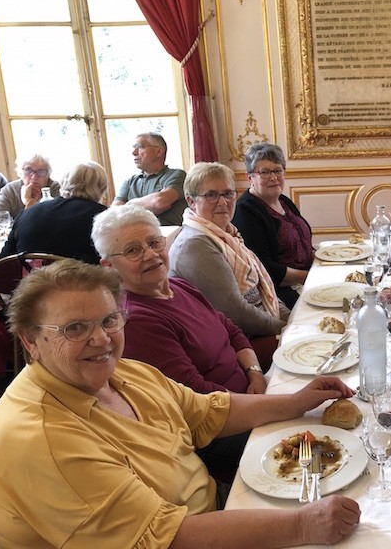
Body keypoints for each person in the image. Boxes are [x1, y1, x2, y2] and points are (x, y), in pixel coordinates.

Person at [0, 259, 361, 547]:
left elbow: (208, 411)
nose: (101, 339)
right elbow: (164, 539)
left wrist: (295, 401)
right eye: (75, 328)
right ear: (31, 340)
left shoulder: (123, 374)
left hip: (208, 511)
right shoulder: (43, 438)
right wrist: (303, 524)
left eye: (109, 320)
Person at [92, 204, 269, 480]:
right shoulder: (137, 320)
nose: (150, 254)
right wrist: (258, 401)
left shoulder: (178, 286)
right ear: (109, 265)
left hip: (249, 393)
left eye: (153, 242)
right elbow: (196, 395)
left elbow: (231, 330)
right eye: (133, 250)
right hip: (216, 431)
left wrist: (255, 374)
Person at [169, 162, 290, 365]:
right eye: (211, 195)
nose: (222, 202)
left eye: (228, 193)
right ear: (191, 201)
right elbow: (236, 313)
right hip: (236, 346)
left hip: (258, 330)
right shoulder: (195, 244)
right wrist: (287, 328)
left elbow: (263, 287)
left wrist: (291, 318)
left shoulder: (228, 233)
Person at [232, 143, 314, 309]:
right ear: (250, 178)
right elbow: (265, 269)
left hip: (306, 279)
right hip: (282, 292)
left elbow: (303, 242)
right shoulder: (245, 211)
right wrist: (312, 276)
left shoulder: (283, 201)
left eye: (278, 170)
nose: (273, 177)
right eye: (264, 172)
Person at [0, 161, 108, 263]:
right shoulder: (103, 217)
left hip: (31, 281)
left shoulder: (27, 213)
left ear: (64, 183)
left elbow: (5, 260)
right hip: (81, 281)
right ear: (102, 188)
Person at [112, 132, 186, 226]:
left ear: (159, 151)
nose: (134, 152)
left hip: (169, 236)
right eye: (133, 147)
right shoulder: (129, 182)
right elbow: (114, 212)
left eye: (140, 147)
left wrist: (128, 205)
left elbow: (159, 202)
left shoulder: (176, 175)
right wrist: (146, 204)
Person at [0, 154, 61, 228]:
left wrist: (29, 203)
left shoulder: (56, 188)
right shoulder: (10, 190)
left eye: (41, 171)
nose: (34, 177)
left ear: (48, 174)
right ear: (20, 172)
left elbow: (49, 224)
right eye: (28, 170)